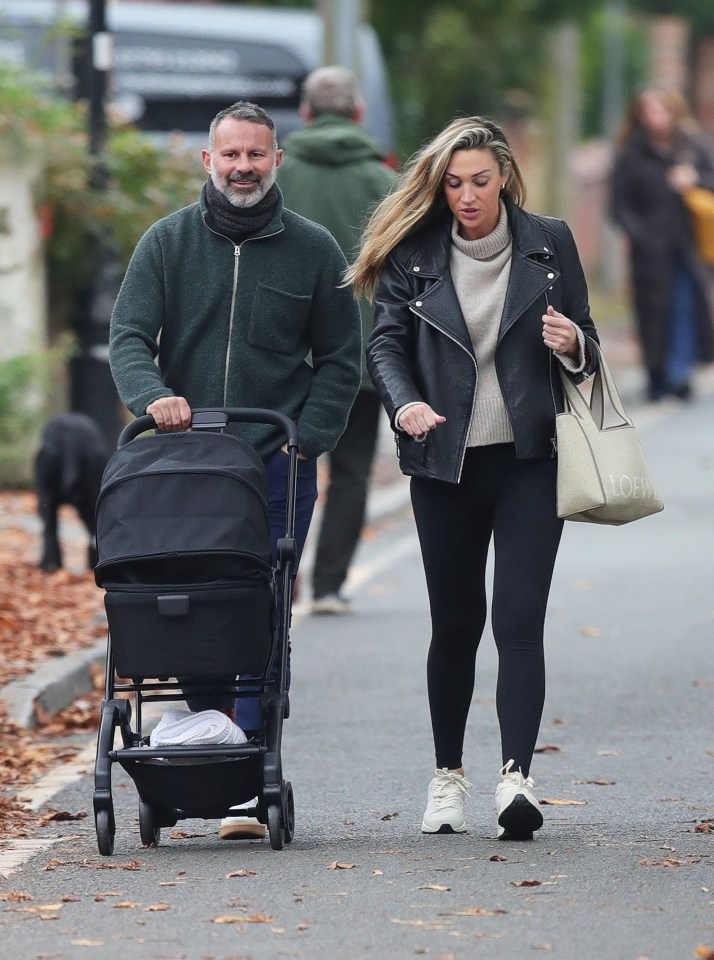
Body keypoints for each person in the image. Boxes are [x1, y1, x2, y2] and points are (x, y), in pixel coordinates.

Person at [109, 100, 361, 838]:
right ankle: (211, 752)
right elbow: (127, 336)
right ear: (208, 161)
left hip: (274, 460)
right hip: (184, 466)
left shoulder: (313, 250)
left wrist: (309, 438)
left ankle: (249, 771)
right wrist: (155, 399)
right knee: (191, 602)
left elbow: (341, 359)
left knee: (261, 608)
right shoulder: (166, 243)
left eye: (256, 155)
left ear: (276, 159)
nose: (243, 167)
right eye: (231, 155)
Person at [346, 115, 599, 840]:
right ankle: (447, 776)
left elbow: (588, 341)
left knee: (520, 621)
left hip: (530, 460)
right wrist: (407, 404)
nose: (466, 195)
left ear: (505, 178)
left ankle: (516, 779)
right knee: (456, 625)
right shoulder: (416, 252)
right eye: (453, 183)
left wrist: (574, 342)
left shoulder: (549, 242)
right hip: (444, 463)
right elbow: (386, 344)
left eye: (479, 181)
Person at [277, 65, 396, 614]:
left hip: (284, 352)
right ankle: (327, 586)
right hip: (361, 352)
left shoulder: (276, 177)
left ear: (305, 113)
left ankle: (279, 577)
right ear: (359, 113)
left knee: (282, 465)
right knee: (349, 473)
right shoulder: (382, 184)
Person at [610, 86, 714, 402]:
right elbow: (619, 207)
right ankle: (657, 373)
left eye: (661, 111)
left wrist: (692, 179)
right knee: (652, 312)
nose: (655, 119)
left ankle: (680, 372)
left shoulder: (694, 148)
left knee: (684, 307)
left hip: (688, 246)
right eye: (648, 112)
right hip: (649, 253)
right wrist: (641, 236)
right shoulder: (631, 154)